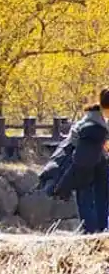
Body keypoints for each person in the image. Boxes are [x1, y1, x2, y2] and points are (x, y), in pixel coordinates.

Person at [41, 89, 109, 234]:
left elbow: (72, 140)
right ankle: (100, 230)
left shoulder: (87, 119)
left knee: (86, 199)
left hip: (83, 162)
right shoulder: (100, 123)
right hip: (98, 162)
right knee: (100, 198)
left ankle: (91, 231)